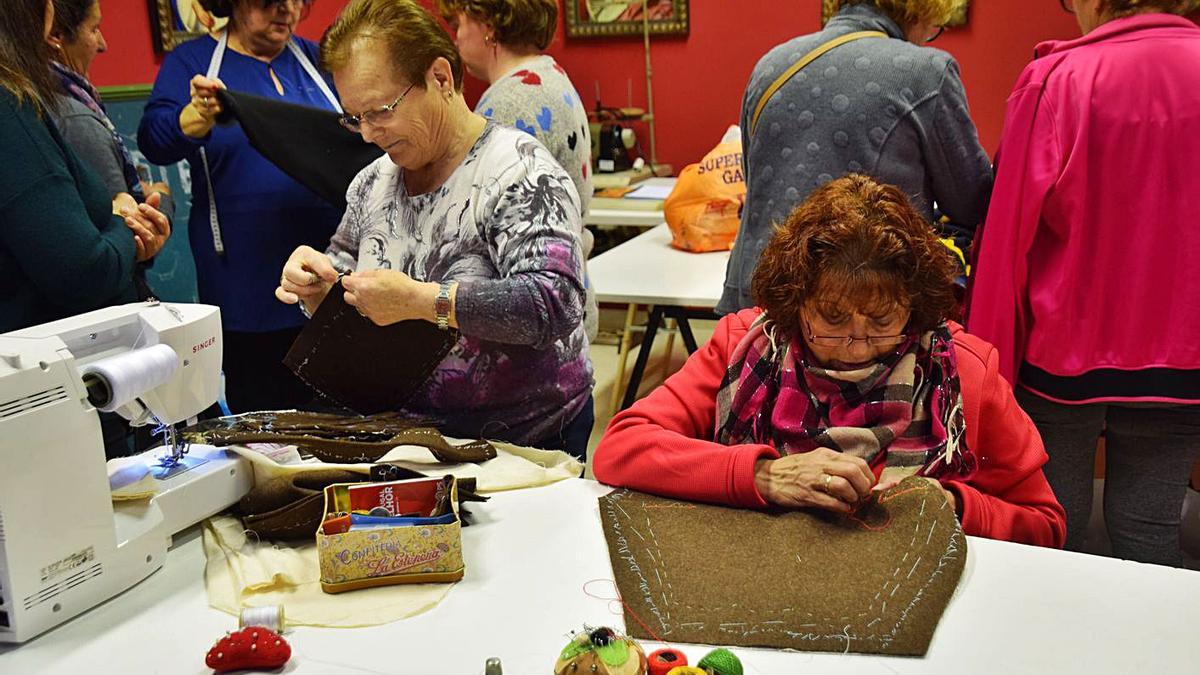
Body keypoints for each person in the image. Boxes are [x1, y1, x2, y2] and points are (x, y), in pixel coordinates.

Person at [593, 175, 1065, 547]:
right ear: (795, 301)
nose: (856, 346)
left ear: (916, 305)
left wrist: (957, 507)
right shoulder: (744, 343)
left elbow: (1046, 526)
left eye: (882, 319)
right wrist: (763, 474)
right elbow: (621, 450)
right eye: (832, 319)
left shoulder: (964, 371)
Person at [275, 0, 593, 459]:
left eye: (381, 111)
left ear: (440, 78)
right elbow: (343, 266)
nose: (367, 134)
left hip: (526, 440)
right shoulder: (372, 182)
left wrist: (423, 301)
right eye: (354, 117)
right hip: (411, 439)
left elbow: (554, 302)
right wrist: (316, 285)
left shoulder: (518, 172)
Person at [968, 0, 1200, 566]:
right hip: (1184, 357)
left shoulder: (1057, 80)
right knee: (1150, 530)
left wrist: (984, 369)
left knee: (1055, 534)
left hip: (1063, 355)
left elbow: (1005, 243)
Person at [717, 0, 992, 315]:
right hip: (858, 315)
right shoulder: (924, 73)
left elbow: (756, 187)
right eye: (934, 29)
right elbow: (973, 202)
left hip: (758, 299)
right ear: (922, 9)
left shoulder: (770, 64)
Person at [138, 0, 343, 413]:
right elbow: (153, 140)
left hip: (330, 277)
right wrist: (190, 119)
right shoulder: (193, 62)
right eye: (269, 2)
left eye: (294, 1)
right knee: (265, 426)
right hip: (245, 283)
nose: (285, 11)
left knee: (342, 414)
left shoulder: (317, 62)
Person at [1, 0, 170, 334]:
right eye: (94, 28)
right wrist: (126, 220)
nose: (104, 43)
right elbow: (82, 270)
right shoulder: (14, 112)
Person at [437, 0, 598, 341]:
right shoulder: (548, 75)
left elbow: (480, 224)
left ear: (488, 25)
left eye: (458, 25)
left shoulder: (510, 102)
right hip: (570, 289)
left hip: (538, 308)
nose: (456, 39)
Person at [48, 0, 174, 300]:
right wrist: (165, 199)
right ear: (55, 36)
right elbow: (131, 235)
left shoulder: (38, 106)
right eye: (94, 29)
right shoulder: (75, 119)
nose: (103, 44)